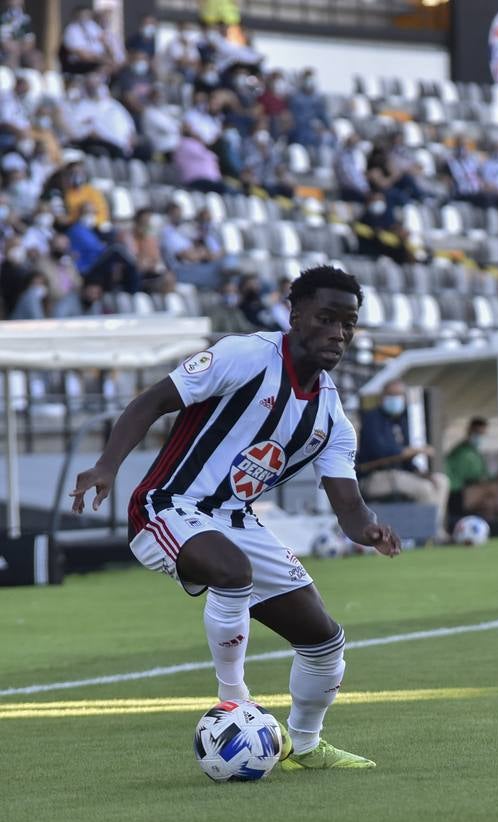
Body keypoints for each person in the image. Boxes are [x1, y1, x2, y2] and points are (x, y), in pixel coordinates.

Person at [70, 265, 398, 771]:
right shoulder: (245, 355)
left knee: (324, 641)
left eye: (348, 323)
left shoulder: (332, 418)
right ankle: (235, 701)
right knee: (233, 573)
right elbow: (151, 401)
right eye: (325, 318)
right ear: (295, 315)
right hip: (167, 505)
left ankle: (306, 746)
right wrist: (106, 466)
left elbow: (349, 506)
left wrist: (370, 529)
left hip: (234, 521)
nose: (337, 332)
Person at [355, 379, 451, 525]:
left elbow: (407, 461)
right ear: (382, 397)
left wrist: (422, 473)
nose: (396, 399)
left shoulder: (401, 421)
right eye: (392, 395)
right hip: (375, 476)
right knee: (424, 489)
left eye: (400, 395)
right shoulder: (371, 418)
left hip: (401, 475)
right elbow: (380, 451)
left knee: (441, 481)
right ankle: (426, 533)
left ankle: (436, 529)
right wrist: (409, 451)